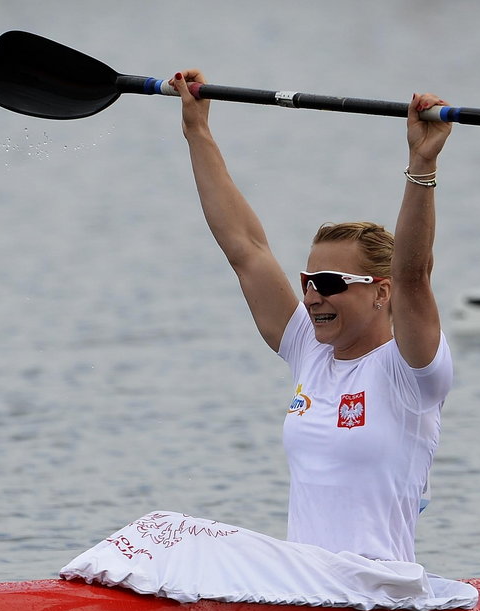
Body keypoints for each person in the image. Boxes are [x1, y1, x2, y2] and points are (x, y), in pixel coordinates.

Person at [171, 71, 454, 564]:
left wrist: (421, 163)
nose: (311, 298)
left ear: (380, 293)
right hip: (308, 583)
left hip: (377, 591)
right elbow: (245, 247)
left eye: (329, 284)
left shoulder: (410, 372)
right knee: (167, 533)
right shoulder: (308, 350)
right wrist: (197, 130)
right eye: (308, 282)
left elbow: (414, 275)